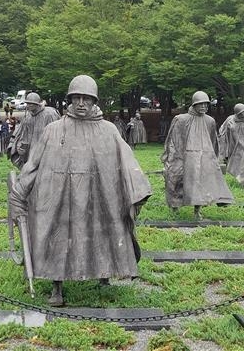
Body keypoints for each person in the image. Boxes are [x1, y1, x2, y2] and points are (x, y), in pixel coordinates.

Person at [9, 74, 152, 306]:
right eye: (77, 98)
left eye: (87, 98)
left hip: (99, 195)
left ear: (95, 101)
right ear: (70, 99)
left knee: (104, 230)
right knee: (59, 236)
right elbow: (33, 164)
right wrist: (18, 194)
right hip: (61, 197)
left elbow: (127, 161)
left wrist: (138, 187)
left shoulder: (108, 130)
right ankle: (57, 286)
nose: (81, 103)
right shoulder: (54, 130)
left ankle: (105, 272)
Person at [161, 91, 234, 219]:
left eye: (206, 104)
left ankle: (197, 210)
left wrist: (213, 158)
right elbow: (174, 140)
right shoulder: (181, 119)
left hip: (204, 156)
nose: (204, 107)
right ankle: (175, 205)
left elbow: (213, 141)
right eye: (201, 104)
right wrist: (174, 157)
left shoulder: (209, 121)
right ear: (194, 104)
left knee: (201, 183)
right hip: (183, 156)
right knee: (176, 179)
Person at [7, 92, 60, 168]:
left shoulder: (49, 114)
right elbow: (20, 132)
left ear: (37, 104)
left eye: (30, 104)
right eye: (27, 103)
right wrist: (16, 143)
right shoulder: (28, 117)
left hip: (46, 150)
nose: (28, 106)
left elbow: (57, 132)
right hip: (30, 150)